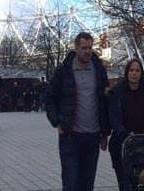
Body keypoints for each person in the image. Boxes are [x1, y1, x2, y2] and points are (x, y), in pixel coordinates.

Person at [46, 31, 110, 191]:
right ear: (76, 48)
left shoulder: (99, 70)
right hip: (70, 135)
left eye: (90, 48)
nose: (87, 51)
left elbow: (104, 102)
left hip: (93, 136)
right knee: (71, 181)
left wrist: (105, 133)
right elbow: (49, 97)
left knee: (87, 183)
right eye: (84, 48)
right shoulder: (64, 71)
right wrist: (57, 122)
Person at [108, 58, 144, 191]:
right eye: (131, 70)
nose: (134, 73)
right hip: (122, 140)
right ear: (127, 73)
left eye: (137, 70)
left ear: (141, 73)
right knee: (124, 180)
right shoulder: (117, 92)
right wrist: (120, 130)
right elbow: (114, 115)